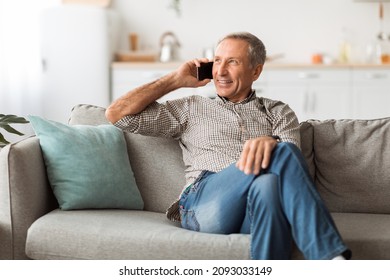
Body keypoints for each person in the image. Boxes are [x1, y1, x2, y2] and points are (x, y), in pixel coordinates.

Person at [105, 32, 351, 260]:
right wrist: (175, 79)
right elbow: (117, 114)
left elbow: (292, 165)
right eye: (217, 61)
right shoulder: (192, 108)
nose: (220, 71)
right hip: (204, 205)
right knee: (280, 152)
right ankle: (329, 258)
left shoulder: (278, 112)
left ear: (256, 71)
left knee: (269, 184)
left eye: (232, 62)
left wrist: (271, 142)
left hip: (253, 209)